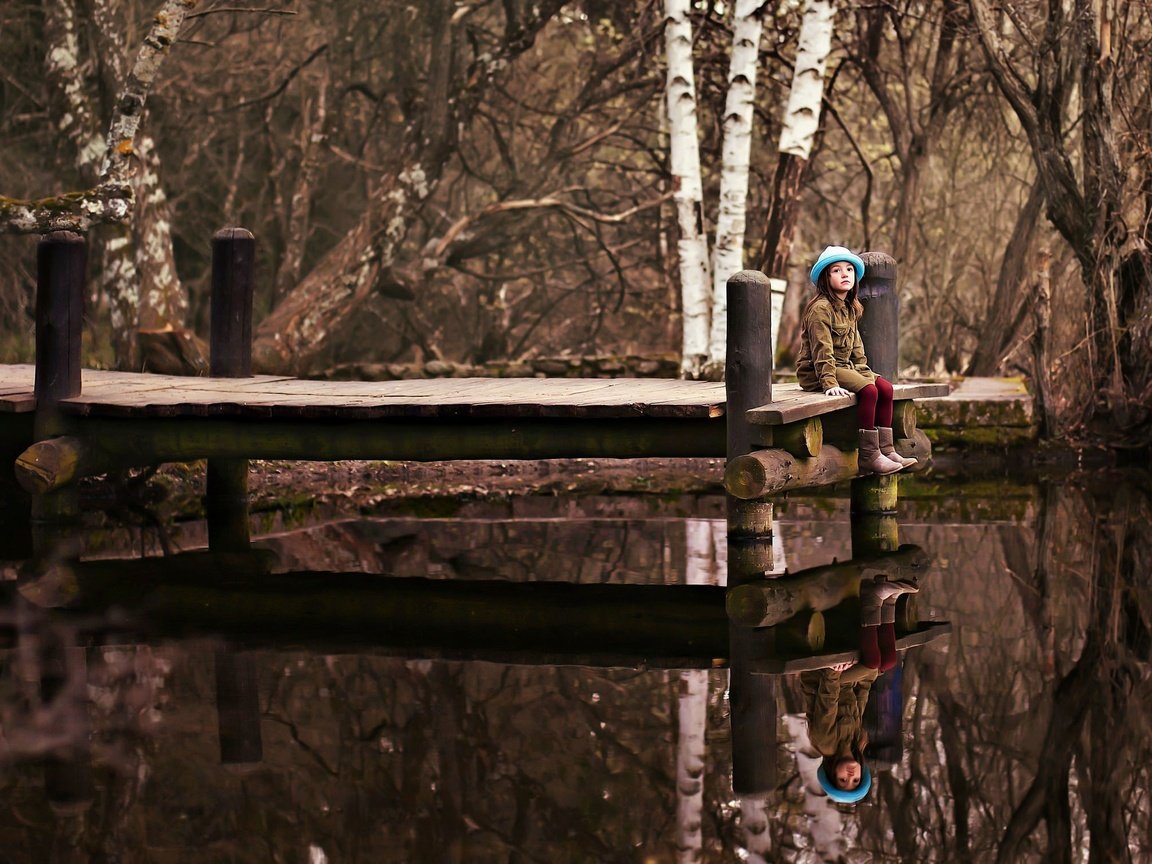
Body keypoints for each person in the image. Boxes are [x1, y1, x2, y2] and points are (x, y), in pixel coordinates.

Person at [795, 246, 916, 475]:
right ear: (825, 277)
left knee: (885, 388)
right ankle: (869, 456)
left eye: (849, 269)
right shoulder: (820, 309)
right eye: (837, 270)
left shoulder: (851, 307)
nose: (845, 274)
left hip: (845, 367)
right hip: (818, 370)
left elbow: (856, 348)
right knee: (869, 391)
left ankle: (887, 450)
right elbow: (822, 350)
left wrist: (865, 372)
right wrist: (829, 383)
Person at [801, 576, 919, 803]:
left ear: (831, 772)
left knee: (875, 664)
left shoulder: (825, 743)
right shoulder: (857, 740)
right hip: (845, 681)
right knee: (885, 663)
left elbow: (827, 700)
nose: (850, 776)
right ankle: (888, 601)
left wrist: (833, 671)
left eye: (842, 780)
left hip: (822, 678)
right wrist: (868, 675)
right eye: (855, 781)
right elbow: (860, 696)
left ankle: (873, 599)